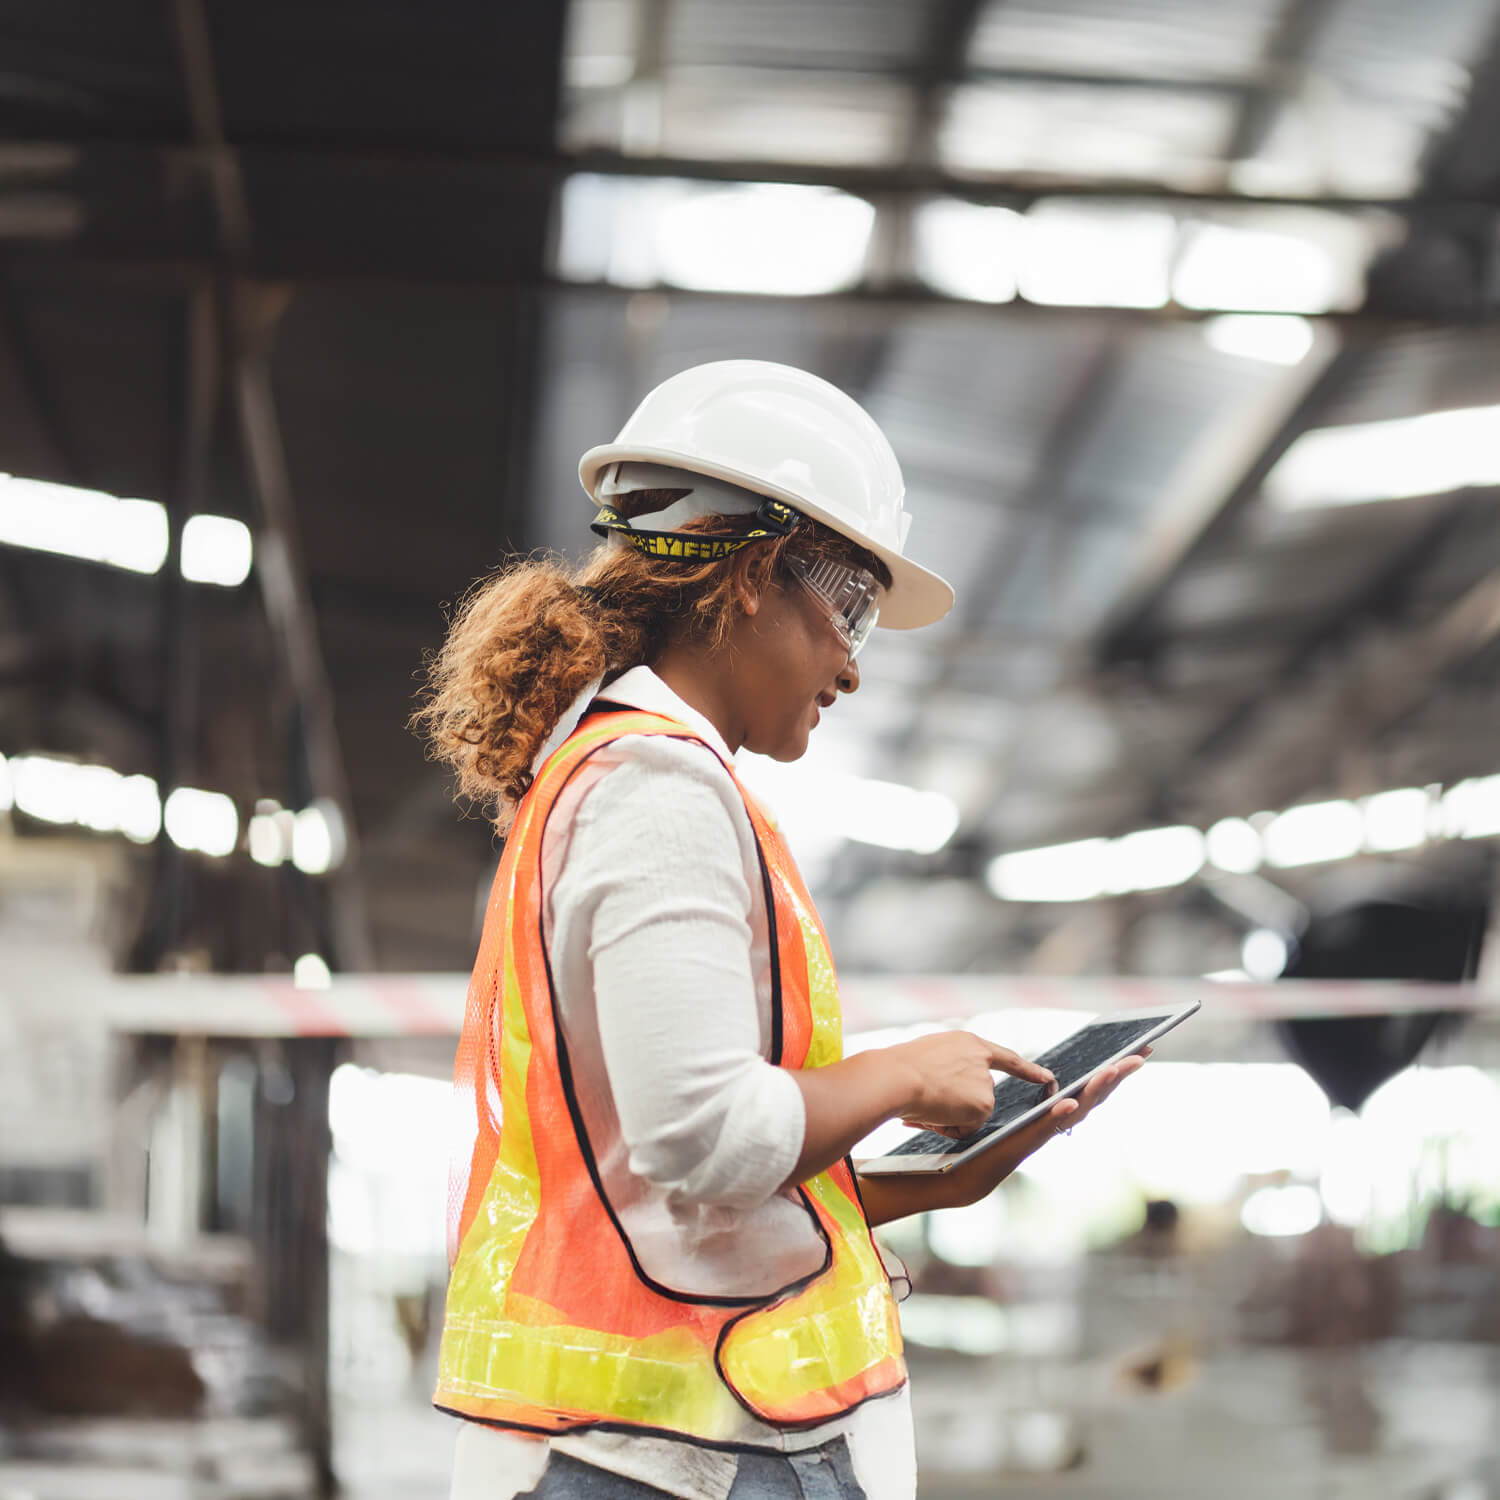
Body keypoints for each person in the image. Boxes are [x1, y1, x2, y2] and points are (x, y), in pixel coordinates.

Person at [412, 361, 1145, 1499]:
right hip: (670, 1460)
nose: (853, 663)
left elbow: (659, 1183)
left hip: (655, 1449)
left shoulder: (619, 775)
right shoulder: (656, 787)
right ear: (754, 575)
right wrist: (906, 1074)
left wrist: (928, 1185)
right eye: (848, 606)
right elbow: (704, 1137)